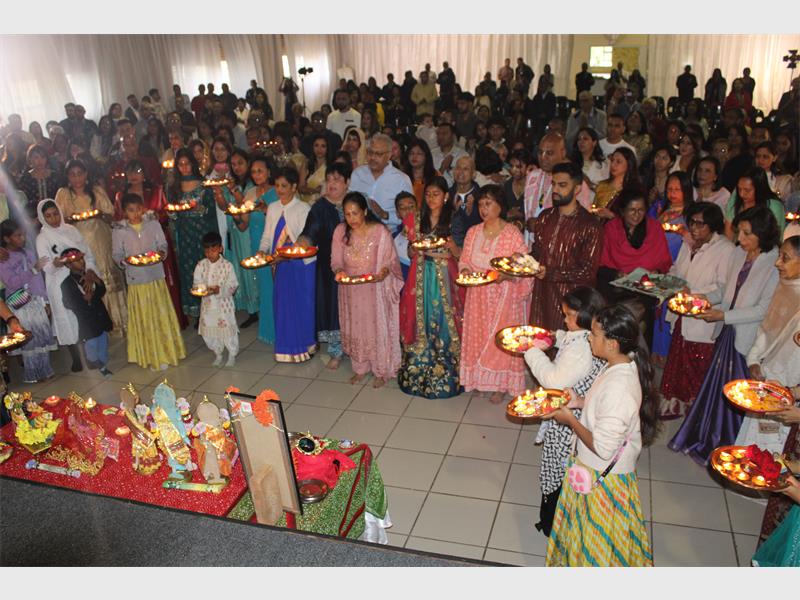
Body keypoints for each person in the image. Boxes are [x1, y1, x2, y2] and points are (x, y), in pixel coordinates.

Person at [543, 304, 656, 567]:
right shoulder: (617, 366)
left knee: (598, 544)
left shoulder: (620, 387)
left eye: (594, 334)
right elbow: (604, 411)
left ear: (612, 343)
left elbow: (604, 448)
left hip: (602, 477)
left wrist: (569, 420)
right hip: (592, 467)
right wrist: (580, 402)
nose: (589, 338)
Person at [669, 206, 780, 464]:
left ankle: (731, 446)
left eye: (746, 233)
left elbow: (763, 310)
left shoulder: (772, 263)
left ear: (762, 235)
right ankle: (710, 438)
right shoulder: (740, 255)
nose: (740, 239)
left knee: (737, 393)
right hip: (726, 331)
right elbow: (726, 292)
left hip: (746, 337)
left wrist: (723, 316)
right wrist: (702, 299)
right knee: (718, 388)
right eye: (740, 231)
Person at [524, 286, 606, 537]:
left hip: (568, 421)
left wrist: (531, 350)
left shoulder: (582, 350)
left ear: (585, 316)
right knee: (556, 467)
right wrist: (553, 336)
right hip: (570, 412)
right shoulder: (583, 336)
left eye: (569, 315)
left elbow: (553, 381)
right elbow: (569, 338)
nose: (565, 319)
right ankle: (552, 517)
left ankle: (554, 523)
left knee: (558, 469)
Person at [660, 202, 736, 418]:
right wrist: (669, 281)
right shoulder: (688, 243)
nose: (694, 228)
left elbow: (723, 287)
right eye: (692, 222)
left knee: (697, 364)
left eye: (700, 224)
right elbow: (677, 268)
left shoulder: (726, 250)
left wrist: (692, 292)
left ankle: (698, 411)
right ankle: (676, 404)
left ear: (713, 226)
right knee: (679, 359)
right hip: (682, 311)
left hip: (703, 316)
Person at [459, 185, 533, 404]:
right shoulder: (473, 232)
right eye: (481, 204)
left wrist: (507, 276)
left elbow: (524, 266)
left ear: (500, 205)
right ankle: (479, 379)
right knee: (478, 336)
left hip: (504, 297)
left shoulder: (512, 233)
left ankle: (501, 384)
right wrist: (464, 270)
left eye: (488, 203)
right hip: (478, 297)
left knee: (499, 338)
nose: (483, 208)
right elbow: (464, 259)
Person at [398, 177, 464, 398]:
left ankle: (448, 371)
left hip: (445, 276)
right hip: (420, 276)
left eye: (436, 194)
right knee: (421, 319)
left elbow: (456, 253)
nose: (431, 198)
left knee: (446, 319)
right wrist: (416, 250)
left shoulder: (455, 218)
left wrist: (433, 252)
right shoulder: (416, 219)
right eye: (428, 194)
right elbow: (409, 251)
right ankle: (418, 369)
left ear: (445, 196)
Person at [735, 235, 800, 454]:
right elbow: (767, 328)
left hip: (792, 387)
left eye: (785, 258)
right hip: (769, 375)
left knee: (775, 448)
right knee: (754, 439)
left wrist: (793, 392)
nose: (777, 263)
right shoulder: (785, 288)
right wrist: (754, 360)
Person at [331, 192, 403, 387]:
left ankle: (381, 369)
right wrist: (338, 271)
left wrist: (384, 272)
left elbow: (390, 260)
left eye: (355, 213)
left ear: (364, 211)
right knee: (356, 326)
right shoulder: (340, 231)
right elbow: (336, 260)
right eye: (347, 214)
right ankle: (360, 368)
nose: (351, 219)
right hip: (351, 290)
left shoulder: (380, 232)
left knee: (375, 327)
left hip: (374, 289)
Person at [112, 193, 185, 371]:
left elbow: (163, 245)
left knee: (160, 315)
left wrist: (160, 254)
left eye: (138, 209)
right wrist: (125, 261)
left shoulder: (153, 224)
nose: (135, 214)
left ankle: (167, 352)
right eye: (131, 211)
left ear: (143, 208)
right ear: (124, 212)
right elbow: (116, 254)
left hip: (155, 277)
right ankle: (150, 355)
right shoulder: (119, 230)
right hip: (137, 280)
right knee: (145, 318)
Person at [529, 162, 604, 332]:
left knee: (566, 353)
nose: (555, 190)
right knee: (539, 345)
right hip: (542, 298)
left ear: (577, 188)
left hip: (572, 304)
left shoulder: (590, 225)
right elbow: (537, 253)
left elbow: (587, 272)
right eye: (553, 184)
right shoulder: (545, 217)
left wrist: (551, 273)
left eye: (562, 185)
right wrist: (521, 261)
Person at [55, 159, 127, 334]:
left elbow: (111, 215)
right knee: (86, 274)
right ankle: (95, 322)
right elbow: (57, 220)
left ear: (86, 175)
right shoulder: (63, 194)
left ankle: (118, 320)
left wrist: (100, 215)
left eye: (80, 173)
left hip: (100, 238)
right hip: (77, 241)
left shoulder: (96, 191)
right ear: (67, 177)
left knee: (105, 271)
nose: (77, 178)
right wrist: (70, 220)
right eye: (72, 174)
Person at [596, 189, 672, 347]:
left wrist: (655, 272)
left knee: (640, 310)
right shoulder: (611, 228)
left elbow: (664, 262)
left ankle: (636, 352)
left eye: (641, 210)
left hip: (645, 289)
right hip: (616, 287)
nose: (637, 215)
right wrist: (617, 274)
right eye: (632, 210)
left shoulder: (654, 228)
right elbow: (601, 264)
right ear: (622, 211)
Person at [297, 162, 351, 369]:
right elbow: (310, 233)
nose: (332, 184)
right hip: (329, 268)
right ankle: (337, 351)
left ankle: (358, 349)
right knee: (333, 306)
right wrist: (299, 245)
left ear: (347, 182)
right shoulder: (319, 207)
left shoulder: (356, 201)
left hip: (356, 265)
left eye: (337, 179)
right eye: (329, 180)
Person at [258, 167, 315, 363]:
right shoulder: (273, 207)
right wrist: (262, 251)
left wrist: (287, 255)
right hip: (280, 264)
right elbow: (267, 235)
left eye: (284, 186)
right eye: (277, 185)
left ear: (294, 187)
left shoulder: (303, 209)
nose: (280, 189)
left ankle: (303, 346)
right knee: (283, 305)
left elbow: (305, 239)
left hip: (298, 264)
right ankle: (286, 348)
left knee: (299, 305)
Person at [35, 199, 100, 372]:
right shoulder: (42, 238)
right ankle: (76, 358)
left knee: (82, 316)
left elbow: (87, 253)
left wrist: (89, 272)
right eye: (48, 216)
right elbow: (46, 266)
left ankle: (89, 355)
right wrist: (57, 263)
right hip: (58, 283)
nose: (54, 219)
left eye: (56, 214)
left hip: (78, 277)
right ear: (42, 218)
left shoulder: (71, 230)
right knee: (66, 318)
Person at [166, 148, 219, 323]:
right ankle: (197, 314)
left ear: (193, 164)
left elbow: (211, 210)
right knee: (190, 271)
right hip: (185, 234)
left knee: (206, 269)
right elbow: (172, 214)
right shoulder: (173, 187)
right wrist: (173, 213)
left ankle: (212, 309)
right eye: (180, 164)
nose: (184, 167)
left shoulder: (204, 185)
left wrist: (200, 209)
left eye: (187, 163)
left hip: (202, 232)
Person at [0, 219, 56, 383]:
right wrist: (32, 270)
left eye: (23, 235)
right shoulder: (4, 259)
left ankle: (45, 369)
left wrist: (45, 300)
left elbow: (38, 279)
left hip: (36, 301)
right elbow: (11, 282)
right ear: (6, 239)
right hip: (20, 305)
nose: (22, 238)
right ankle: (33, 373)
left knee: (40, 335)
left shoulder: (28, 253)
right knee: (28, 339)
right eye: (18, 236)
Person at [241, 155, 278, 345]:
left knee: (274, 287)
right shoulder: (249, 193)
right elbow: (243, 225)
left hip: (274, 245)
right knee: (263, 287)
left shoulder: (278, 192)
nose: (256, 174)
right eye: (253, 171)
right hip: (257, 244)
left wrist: (266, 210)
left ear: (269, 172)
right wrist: (237, 213)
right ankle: (268, 330)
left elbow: (282, 220)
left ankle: (279, 330)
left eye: (260, 170)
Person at [60, 248, 113, 377]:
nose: (82, 262)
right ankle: (97, 363)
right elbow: (68, 303)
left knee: (103, 345)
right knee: (92, 347)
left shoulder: (90, 275)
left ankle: (102, 365)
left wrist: (97, 280)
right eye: (77, 261)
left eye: (81, 259)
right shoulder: (67, 284)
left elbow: (101, 291)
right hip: (87, 323)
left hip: (100, 318)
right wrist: (84, 300)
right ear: (68, 265)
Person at [192, 232, 239, 368]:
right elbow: (197, 282)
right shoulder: (201, 265)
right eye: (207, 251)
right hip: (207, 306)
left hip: (224, 306)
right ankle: (218, 353)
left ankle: (231, 353)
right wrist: (201, 289)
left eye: (213, 250)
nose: (210, 254)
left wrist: (220, 290)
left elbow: (233, 285)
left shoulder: (227, 266)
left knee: (227, 330)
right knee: (209, 331)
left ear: (220, 249)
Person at [349, 133, 413, 229]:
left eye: (378, 154)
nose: (373, 157)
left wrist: (384, 214)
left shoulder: (401, 180)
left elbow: (410, 216)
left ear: (389, 155)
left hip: (391, 236)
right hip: (358, 234)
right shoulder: (358, 174)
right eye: (370, 152)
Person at [724, 167, 786, 240]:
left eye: (747, 190)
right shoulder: (735, 200)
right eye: (739, 189)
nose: (742, 194)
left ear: (759, 189)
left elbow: (776, 238)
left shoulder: (774, 206)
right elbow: (728, 236)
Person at [18, 144, 65, 220]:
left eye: (43, 157)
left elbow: (61, 197)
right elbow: (24, 201)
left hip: (56, 215)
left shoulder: (55, 176)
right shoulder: (25, 178)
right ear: (30, 159)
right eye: (36, 157)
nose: (40, 161)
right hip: (33, 217)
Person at [592, 147, 641, 218]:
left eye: (618, 162)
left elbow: (634, 218)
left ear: (629, 164)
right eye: (612, 160)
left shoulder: (634, 191)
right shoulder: (602, 185)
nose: (613, 164)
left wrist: (611, 216)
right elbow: (594, 209)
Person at [572, 127, 608, 195]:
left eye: (585, 139)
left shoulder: (604, 163)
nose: (581, 142)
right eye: (579, 139)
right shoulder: (571, 163)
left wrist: (590, 184)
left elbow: (606, 190)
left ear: (594, 142)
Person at [403, 138, 438, 209]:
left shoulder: (435, 176)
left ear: (426, 156)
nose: (414, 157)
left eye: (419, 153)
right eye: (411, 153)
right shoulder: (402, 176)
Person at [431, 123, 468, 187]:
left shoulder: (462, 155)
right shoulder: (431, 154)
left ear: (453, 136)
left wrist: (450, 169)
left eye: (444, 133)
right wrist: (442, 168)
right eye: (438, 134)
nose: (440, 137)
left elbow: (467, 179)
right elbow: (429, 179)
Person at [393, 191, 417, 280]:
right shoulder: (393, 237)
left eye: (411, 206)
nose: (407, 210)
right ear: (397, 213)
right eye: (402, 208)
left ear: (417, 209)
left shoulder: (426, 233)